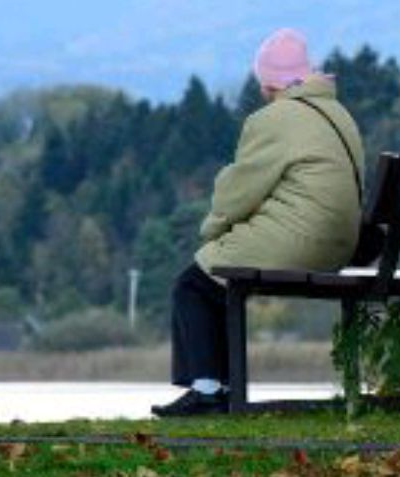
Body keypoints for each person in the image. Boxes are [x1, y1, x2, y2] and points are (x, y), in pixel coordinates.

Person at [151, 28, 365, 417]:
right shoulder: (339, 115)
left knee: (194, 283)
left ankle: (208, 391)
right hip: (340, 246)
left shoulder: (273, 119)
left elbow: (239, 192)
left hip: (298, 240)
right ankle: (221, 388)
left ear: (268, 83)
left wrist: (213, 232)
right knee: (216, 282)